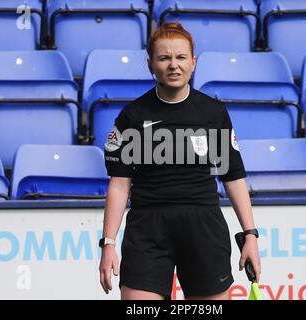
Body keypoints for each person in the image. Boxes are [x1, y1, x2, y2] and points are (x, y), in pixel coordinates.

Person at [99, 22, 261, 300]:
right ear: (150, 64)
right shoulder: (132, 116)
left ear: (193, 62)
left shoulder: (213, 113)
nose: (173, 65)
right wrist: (109, 244)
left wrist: (250, 235)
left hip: (204, 226)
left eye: (181, 57)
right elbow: (119, 185)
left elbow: (232, 177)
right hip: (147, 228)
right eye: (164, 58)